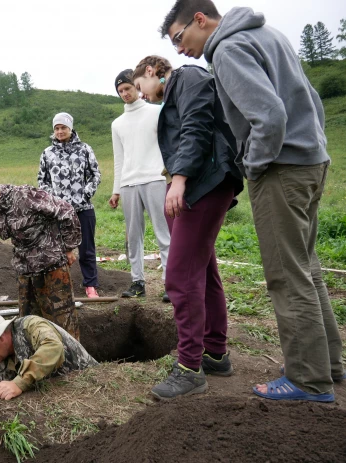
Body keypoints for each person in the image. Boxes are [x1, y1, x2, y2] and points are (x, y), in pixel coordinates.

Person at [160, 0, 344, 402]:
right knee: (307, 267)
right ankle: (326, 363)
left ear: (200, 19)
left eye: (179, 37)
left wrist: (255, 165)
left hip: (281, 168)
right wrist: (313, 147)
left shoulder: (226, 49)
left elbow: (270, 116)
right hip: (312, 160)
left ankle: (308, 380)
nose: (179, 49)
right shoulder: (268, 34)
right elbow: (310, 100)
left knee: (285, 273)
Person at [133, 55, 243, 400]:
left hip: (204, 183)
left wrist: (178, 180)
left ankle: (189, 368)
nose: (142, 94)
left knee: (180, 277)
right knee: (205, 272)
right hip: (203, 183)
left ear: (151, 71)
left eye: (139, 86)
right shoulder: (179, 88)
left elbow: (196, 125)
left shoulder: (188, 77)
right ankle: (214, 353)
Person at [0, 182, 82, 339]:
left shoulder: (26, 196)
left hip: (52, 269)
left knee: (62, 325)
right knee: (30, 326)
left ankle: (71, 363)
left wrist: (69, 248)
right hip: (26, 273)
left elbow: (66, 212)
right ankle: (38, 362)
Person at [110, 69, 171, 302]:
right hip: (128, 183)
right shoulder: (117, 124)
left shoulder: (157, 112)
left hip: (156, 178)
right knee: (133, 236)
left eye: (128, 88)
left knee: (163, 233)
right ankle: (137, 282)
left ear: (137, 86)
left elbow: (167, 145)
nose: (125, 93)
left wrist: (171, 176)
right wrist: (116, 189)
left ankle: (170, 283)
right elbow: (119, 158)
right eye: (120, 91)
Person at [0, 309, 98, 400]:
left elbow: (53, 346)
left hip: (92, 385)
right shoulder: (1, 365)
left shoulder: (31, 326)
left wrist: (19, 383)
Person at [38, 112, 102, 298]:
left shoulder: (84, 149)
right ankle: (61, 285)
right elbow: (42, 180)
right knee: (58, 249)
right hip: (57, 211)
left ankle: (90, 285)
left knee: (87, 249)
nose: (60, 131)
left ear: (71, 128)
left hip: (83, 208)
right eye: (56, 128)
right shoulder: (47, 153)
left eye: (63, 127)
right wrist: (53, 200)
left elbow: (95, 175)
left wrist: (85, 194)